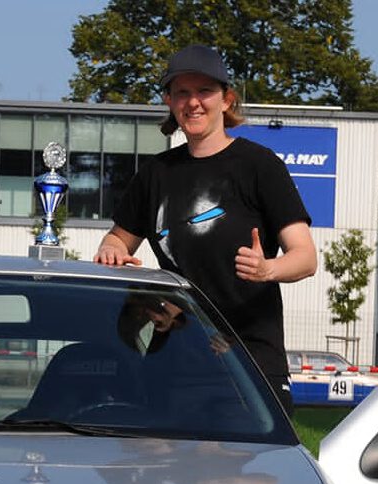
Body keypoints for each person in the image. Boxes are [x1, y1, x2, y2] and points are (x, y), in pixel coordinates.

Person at [93, 44, 317, 412]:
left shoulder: (260, 165)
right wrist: (112, 250)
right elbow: (118, 238)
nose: (193, 102)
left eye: (204, 91)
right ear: (169, 101)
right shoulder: (155, 174)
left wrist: (268, 269)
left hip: (249, 364)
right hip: (175, 362)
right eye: (182, 92)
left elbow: (306, 258)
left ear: (227, 100)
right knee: (161, 465)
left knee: (238, 471)